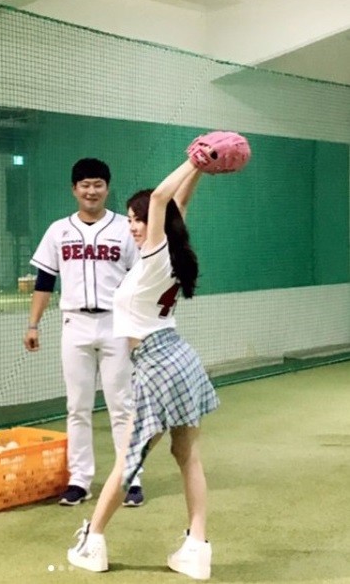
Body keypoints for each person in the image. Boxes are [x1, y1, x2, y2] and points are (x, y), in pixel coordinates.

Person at [67, 156, 221, 580]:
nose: (132, 226)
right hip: (180, 359)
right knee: (186, 455)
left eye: (138, 219)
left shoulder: (154, 257)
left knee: (129, 459)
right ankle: (197, 548)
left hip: (156, 363)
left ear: (155, 223)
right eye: (131, 219)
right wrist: (200, 168)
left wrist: (192, 159)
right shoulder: (170, 251)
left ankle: (93, 541)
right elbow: (177, 205)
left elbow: (162, 199)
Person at [23, 158, 145, 507]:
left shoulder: (124, 228)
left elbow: (140, 281)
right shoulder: (58, 230)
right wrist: (33, 324)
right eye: (85, 185)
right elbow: (45, 281)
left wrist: (139, 327)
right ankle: (79, 480)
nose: (92, 191)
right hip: (74, 324)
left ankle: (131, 477)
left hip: (116, 324)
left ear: (107, 188)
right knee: (77, 406)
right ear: (74, 189)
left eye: (98, 184)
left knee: (122, 405)